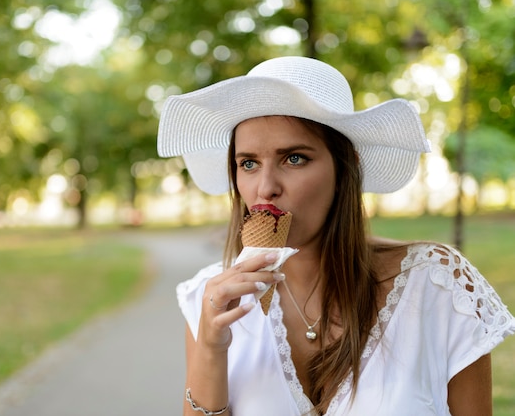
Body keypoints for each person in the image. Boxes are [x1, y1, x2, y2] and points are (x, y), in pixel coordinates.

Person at [156, 56, 515, 416]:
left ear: (347, 168)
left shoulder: (438, 285)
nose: (265, 188)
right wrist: (211, 350)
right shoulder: (210, 298)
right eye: (248, 163)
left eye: (294, 158)